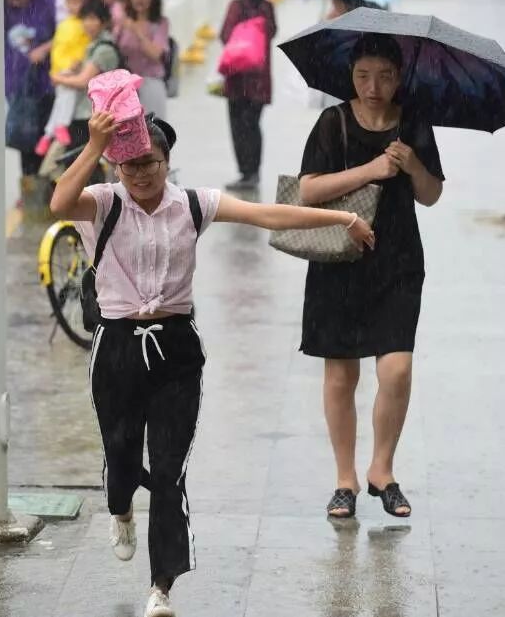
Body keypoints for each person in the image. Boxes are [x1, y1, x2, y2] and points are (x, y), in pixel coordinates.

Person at [49, 112, 374, 617]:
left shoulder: (193, 205)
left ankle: (161, 586)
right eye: (130, 165)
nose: (141, 175)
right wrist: (93, 145)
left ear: (167, 162)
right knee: (120, 458)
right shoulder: (103, 204)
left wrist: (343, 219)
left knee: (170, 469)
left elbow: (269, 214)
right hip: (116, 347)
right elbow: (59, 204)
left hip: (177, 348)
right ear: (115, 167)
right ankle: (119, 509)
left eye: (150, 164)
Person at [297, 33, 444, 520]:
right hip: (339, 258)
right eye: (363, 76)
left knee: (396, 368)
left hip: (398, 260)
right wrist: (373, 168)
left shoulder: (413, 122)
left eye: (383, 76)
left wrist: (412, 164)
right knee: (342, 373)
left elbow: (430, 194)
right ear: (351, 76)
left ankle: (383, 469)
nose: (373, 86)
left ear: (399, 77)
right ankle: (346, 480)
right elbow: (309, 190)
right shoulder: (332, 121)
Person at [219, 0, 276, 191]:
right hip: (245, 80)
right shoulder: (263, 7)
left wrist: (245, 28)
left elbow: (225, 35)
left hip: (249, 80)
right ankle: (247, 172)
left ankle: (250, 172)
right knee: (243, 125)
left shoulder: (240, 7)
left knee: (247, 125)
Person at [51, 0, 122, 153]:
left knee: (85, 165)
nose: (87, 24)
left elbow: (83, 81)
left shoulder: (104, 49)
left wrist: (58, 78)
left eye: (92, 19)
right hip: (87, 114)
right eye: (85, 19)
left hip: (91, 116)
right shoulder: (93, 46)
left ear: (104, 22)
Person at [4, 0, 57, 178]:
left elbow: (65, 34)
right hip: (16, 86)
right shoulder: (0, 9)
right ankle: (30, 187)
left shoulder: (48, 4)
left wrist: (44, 48)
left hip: (47, 84)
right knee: (25, 140)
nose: (16, 2)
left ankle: (49, 186)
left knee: (48, 138)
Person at [35, 0, 90, 156]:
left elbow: (85, 46)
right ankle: (58, 127)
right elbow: (58, 47)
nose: (72, 6)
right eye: (69, 2)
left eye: (76, 1)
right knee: (64, 101)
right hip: (61, 70)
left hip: (72, 69)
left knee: (63, 102)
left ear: (86, 1)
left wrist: (77, 63)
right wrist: (56, 70)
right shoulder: (65, 24)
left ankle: (47, 135)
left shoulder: (85, 24)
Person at [115, 0, 169, 119]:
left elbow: (156, 54)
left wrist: (137, 31)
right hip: (125, 87)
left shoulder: (160, 23)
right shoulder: (121, 21)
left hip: (150, 83)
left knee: (152, 133)